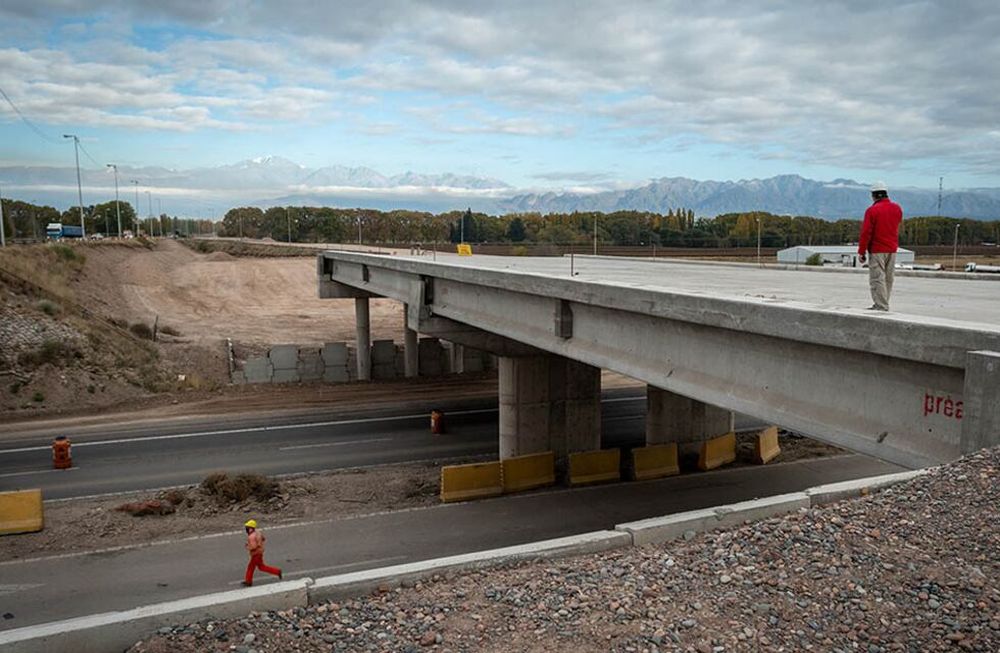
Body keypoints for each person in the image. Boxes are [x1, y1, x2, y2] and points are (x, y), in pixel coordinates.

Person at [857, 181, 903, 311]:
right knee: (888, 278)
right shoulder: (897, 208)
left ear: (874, 195)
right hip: (892, 249)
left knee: (877, 279)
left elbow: (866, 233)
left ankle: (881, 305)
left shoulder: (872, 211)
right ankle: (884, 302)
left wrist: (862, 251)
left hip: (877, 250)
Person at [242, 519, 282, 587]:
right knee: (261, 567)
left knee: (251, 567)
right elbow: (263, 538)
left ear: (251, 528)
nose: (247, 529)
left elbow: (253, 547)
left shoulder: (251, 537)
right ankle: (277, 571)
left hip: (255, 554)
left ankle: (248, 581)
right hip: (260, 553)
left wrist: (248, 546)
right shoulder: (258, 533)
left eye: (247, 528)